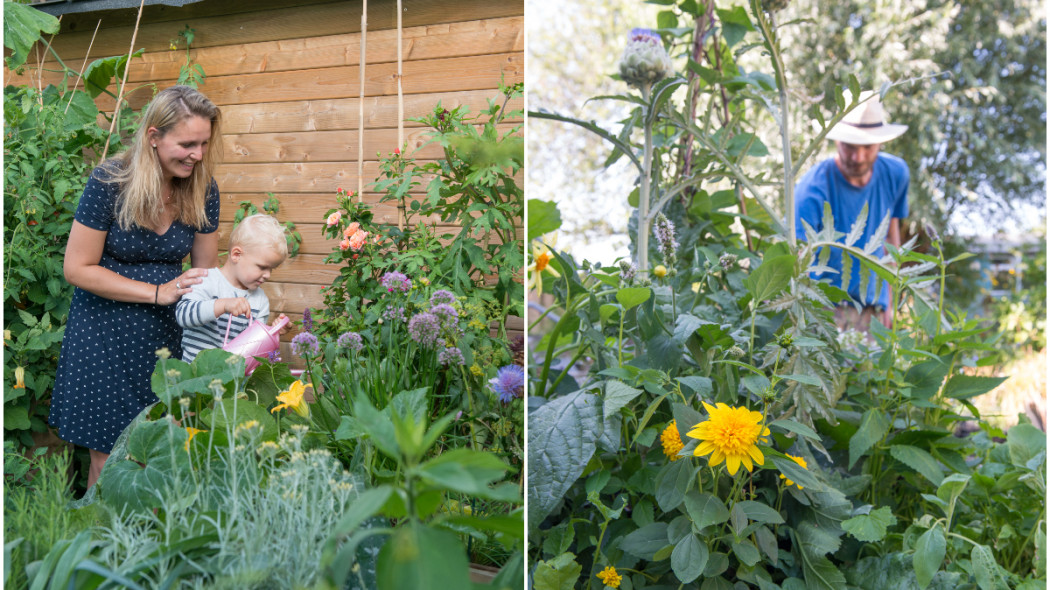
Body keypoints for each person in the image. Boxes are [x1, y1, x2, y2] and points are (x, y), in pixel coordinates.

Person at [50, 85, 223, 489]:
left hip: (167, 340)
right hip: (105, 332)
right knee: (109, 457)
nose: (197, 155)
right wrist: (158, 292)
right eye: (187, 144)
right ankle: (101, 548)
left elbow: (205, 275)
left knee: (163, 452)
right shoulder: (110, 182)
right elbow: (77, 268)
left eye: (204, 143)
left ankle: (150, 548)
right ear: (153, 137)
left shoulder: (203, 188)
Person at [794, 90, 909, 332]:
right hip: (826, 309)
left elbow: (890, 240)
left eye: (867, 147)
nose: (858, 157)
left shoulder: (896, 174)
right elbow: (795, 257)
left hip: (875, 308)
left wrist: (890, 302)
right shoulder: (811, 188)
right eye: (850, 146)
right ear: (836, 140)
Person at [176, 214, 290, 362]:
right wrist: (222, 305)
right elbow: (183, 316)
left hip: (231, 383)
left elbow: (252, 351)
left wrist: (272, 334)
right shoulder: (204, 280)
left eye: (272, 269)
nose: (267, 275)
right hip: (194, 378)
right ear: (236, 254)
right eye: (262, 267)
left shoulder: (260, 301)